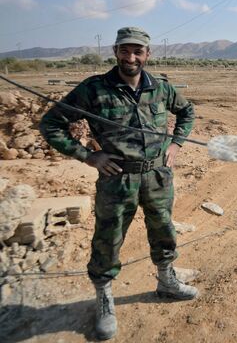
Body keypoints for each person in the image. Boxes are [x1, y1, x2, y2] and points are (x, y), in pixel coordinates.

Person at [39, 26, 197, 340]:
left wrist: (176, 144)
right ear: (115, 51)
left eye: (138, 51)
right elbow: (51, 123)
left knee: (163, 230)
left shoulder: (161, 88)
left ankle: (166, 281)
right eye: (125, 50)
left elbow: (187, 112)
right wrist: (88, 156)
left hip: (156, 176)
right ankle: (104, 299)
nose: (131, 57)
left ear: (147, 54)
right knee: (108, 240)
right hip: (117, 180)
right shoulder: (94, 89)